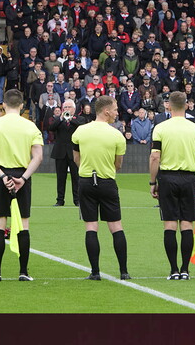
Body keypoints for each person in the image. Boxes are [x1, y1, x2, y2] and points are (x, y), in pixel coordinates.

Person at [0, 89, 44, 282]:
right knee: (23, 224)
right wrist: (23, 178)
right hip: (21, 178)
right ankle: (23, 272)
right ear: (22, 105)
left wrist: (1, 176)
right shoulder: (31, 126)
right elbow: (38, 157)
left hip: (1, 176)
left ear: (3, 105)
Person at [148, 91, 195, 280]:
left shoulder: (160, 128)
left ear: (168, 106)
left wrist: (152, 181)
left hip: (167, 178)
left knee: (170, 224)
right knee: (187, 224)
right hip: (189, 178)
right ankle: (185, 270)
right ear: (187, 105)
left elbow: (155, 156)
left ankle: (173, 269)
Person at [71, 96, 131, 280]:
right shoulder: (117, 135)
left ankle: (95, 272)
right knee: (116, 226)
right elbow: (118, 164)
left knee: (91, 227)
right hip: (107, 182)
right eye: (114, 110)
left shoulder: (80, 131)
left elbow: (76, 159)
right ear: (106, 111)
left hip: (86, 181)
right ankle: (124, 271)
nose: (116, 113)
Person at [46, 99, 89, 206]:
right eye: (65, 107)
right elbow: (51, 128)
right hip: (60, 152)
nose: (66, 109)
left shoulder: (80, 118)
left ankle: (77, 200)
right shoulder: (58, 119)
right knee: (61, 178)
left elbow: (81, 126)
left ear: (74, 109)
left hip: (75, 153)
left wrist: (70, 119)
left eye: (69, 107)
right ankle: (60, 200)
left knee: (76, 178)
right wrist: (61, 118)